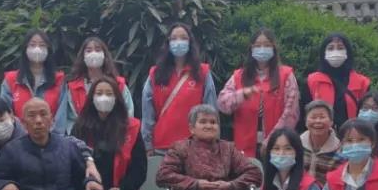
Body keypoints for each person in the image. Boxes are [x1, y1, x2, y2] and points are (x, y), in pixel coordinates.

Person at [217, 28, 299, 158]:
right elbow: (222, 104)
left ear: (274, 48)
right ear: (251, 48)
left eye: (267, 45)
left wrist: (272, 139)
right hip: (244, 147)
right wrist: (241, 95)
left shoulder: (286, 75)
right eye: (258, 45)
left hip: (277, 146)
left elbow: (291, 113)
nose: (262, 49)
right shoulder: (239, 76)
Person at [141, 22, 217, 153]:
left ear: (190, 42)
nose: (179, 42)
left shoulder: (202, 72)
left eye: (183, 38)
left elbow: (211, 110)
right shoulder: (156, 74)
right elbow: (147, 112)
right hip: (162, 147)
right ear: (168, 43)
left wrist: (212, 141)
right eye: (174, 38)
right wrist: (147, 145)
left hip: (195, 147)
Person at [55, 35, 134, 135]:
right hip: (82, 138)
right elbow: (69, 119)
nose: (93, 53)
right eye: (89, 50)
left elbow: (128, 114)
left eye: (97, 50)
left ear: (104, 55)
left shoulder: (118, 84)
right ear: (83, 57)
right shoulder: (73, 87)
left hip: (115, 137)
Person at [306, 33, 371, 129]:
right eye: (330, 48)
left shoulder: (362, 82)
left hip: (352, 135)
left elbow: (367, 114)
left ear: (347, 52)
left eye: (340, 48)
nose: (335, 52)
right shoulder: (312, 80)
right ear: (324, 53)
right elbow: (305, 114)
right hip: (321, 135)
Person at [0, 29, 66, 120]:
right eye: (32, 45)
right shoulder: (11, 79)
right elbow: (5, 112)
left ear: (48, 50)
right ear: (25, 49)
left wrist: (53, 129)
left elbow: (62, 116)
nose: (37, 49)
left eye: (42, 45)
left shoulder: (59, 79)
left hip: (52, 129)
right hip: (19, 129)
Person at [301, 100, 343, 184]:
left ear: (331, 122)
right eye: (313, 117)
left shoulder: (340, 149)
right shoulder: (297, 145)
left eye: (322, 117)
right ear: (305, 122)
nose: (318, 121)